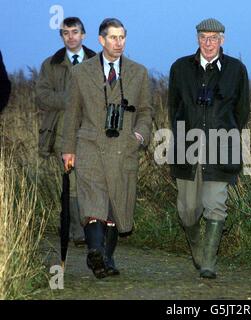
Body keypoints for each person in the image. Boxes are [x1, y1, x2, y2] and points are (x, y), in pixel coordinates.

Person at [61, 18, 153, 279]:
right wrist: (68, 149)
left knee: (115, 205)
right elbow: (72, 114)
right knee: (93, 202)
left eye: (122, 37)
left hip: (124, 148)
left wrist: (140, 135)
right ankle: (95, 250)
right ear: (101, 41)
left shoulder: (138, 72)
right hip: (89, 145)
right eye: (113, 37)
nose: (118, 42)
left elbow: (146, 111)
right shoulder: (82, 73)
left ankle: (106, 257)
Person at [168, 18, 250, 279]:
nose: (208, 42)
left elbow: (242, 111)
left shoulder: (236, 70)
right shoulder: (180, 68)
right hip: (187, 147)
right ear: (197, 39)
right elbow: (174, 109)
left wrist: (226, 135)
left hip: (221, 148)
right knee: (187, 212)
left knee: (216, 204)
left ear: (222, 40)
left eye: (214, 37)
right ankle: (198, 249)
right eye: (204, 37)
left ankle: (209, 262)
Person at [35, 17, 96, 247]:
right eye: (66, 33)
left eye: (75, 32)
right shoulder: (50, 64)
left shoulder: (97, 61)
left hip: (91, 130)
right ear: (61, 36)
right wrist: (70, 100)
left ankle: (86, 227)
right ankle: (77, 231)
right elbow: (42, 96)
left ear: (84, 35)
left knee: (88, 182)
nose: (71, 36)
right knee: (69, 181)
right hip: (61, 130)